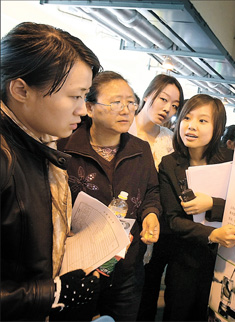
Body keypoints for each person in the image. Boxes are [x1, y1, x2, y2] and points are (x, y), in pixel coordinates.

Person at [0, 22, 102, 320]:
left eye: (85, 96)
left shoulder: (38, 144)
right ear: (21, 90)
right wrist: (52, 294)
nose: (82, 110)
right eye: (74, 96)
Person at [57, 71, 162, 321]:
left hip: (126, 268)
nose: (126, 110)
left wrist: (150, 215)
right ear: (90, 107)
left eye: (130, 102)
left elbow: (151, 191)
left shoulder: (140, 150)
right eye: (116, 102)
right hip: (79, 267)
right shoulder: (65, 148)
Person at [158, 94, 235, 321]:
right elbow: (172, 219)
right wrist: (212, 234)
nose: (191, 126)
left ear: (217, 127)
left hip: (225, 259)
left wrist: (212, 203)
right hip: (184, 262)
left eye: (202, 120)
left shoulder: (231, 161)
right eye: (187, 118)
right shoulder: (170, 164)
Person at [132, 74, 184, 321]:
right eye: (163, 99)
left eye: (175, 105)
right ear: (147, 94)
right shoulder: (124, 127)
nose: (168, 109)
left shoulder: (170, 140)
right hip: (120, 220)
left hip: (154, 227)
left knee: (146, 292)